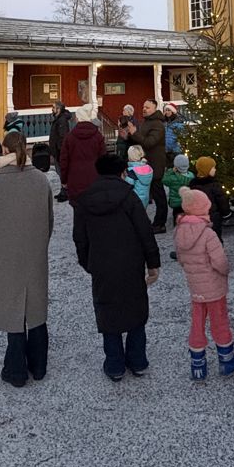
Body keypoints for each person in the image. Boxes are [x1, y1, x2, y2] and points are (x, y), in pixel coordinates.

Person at [72, 154, 162, 381]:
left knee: (107, 310)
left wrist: (88, 262)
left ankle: (114, 365)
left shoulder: (83, 201)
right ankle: (138, 360)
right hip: (130, 262)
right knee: (136, 309)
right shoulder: (129, 197)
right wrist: (153, 263)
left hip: (102, 264)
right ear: (122, 172)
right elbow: (145, 232)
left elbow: (80, 238)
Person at [0, 132, 55, 387]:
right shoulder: (40, 180)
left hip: (6, 254)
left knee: (13, 309)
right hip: (34, 252)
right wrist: (40, 242)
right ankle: (39, 365)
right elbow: (49, 219)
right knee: (35, 308)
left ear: (4, 150)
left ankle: (15, 370)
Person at [175, 187, 234, 382]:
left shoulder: (180, 231)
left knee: (197, 323)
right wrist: (226, 271)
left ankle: (198, 364)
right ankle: (226, 359)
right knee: (219, 321)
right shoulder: (208, 234)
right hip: (214, 288)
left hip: (195, 288)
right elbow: (219, 261)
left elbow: (181, 259)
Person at [135, 98, 170, 233]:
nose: (144, 109)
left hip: (156, 163)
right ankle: (152, 222)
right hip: (147, 162)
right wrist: (129, 135)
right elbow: (141, 140)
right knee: (151, 193)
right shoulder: (147, 122)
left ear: (155, 109)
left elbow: (149, 142)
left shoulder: (157, 124)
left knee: (158, 194)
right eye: (144, 106)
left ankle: (160, 224)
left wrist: (134, 133)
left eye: (147, 107)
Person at [60, 104, 107, 201]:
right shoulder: (98, 137)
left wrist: (64, 180)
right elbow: (104, 159)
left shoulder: (69, 138)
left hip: (75, 180)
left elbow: (64, 161)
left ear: (78, 119)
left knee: (78, 210)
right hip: (95, 179)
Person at [189, 156, 231, 237]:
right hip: (213, 218)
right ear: (207, 170)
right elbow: (222, 201)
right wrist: (226, 213)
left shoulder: (193, 185)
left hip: (199, 218)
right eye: (213, 168)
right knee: (215, 237)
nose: (215, 169)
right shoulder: (214, 185)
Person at [48, 101, 74, 202]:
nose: (52, 109)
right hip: (56, 150)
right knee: (60, 173)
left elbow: (63, 138)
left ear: (58, 109)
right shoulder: (58, 119)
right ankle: (63, 190)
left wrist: (60, 152)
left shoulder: (62, 120)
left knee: (62, 173)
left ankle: (65, 192)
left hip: (60, 151)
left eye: (53, 107)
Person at [164, 154, 195, 226]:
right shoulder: (191, 175)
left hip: (176, 202)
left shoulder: (172, 178)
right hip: (187, 201)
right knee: (187, 212)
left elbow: (164, 180)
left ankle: (177, 224)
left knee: (176, 213)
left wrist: (171, 171)